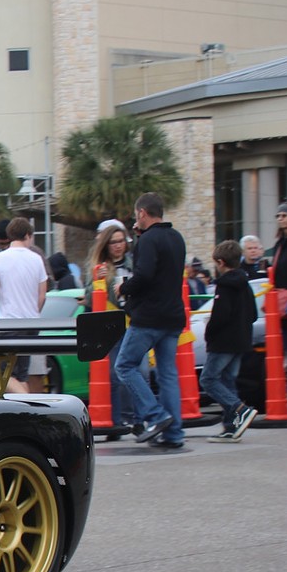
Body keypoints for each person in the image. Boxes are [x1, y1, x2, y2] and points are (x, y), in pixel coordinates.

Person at [113, 192, 188, 449]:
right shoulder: (176, 238)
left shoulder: (148, 241)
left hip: (149, 317)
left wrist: (124, 288)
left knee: (124, 366)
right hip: (174, 316)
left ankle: (155, 415)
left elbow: (144, 276)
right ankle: (174, 434)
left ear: (142, 213)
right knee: (168, 374)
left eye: (137, 216)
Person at [200, 240, 259, 443]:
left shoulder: (224, 286)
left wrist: (209, 332)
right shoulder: (245, 283)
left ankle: (240, 409)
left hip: (223, 341)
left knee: (208, 379)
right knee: (227, 380)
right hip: (241, 340)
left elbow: (220, 316)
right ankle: (231, 427)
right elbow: (253, 314)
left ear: (220, 262)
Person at [87, 222, 141, 431]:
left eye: (121, 241)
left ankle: (136, 418)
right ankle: (119, 420)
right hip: (111, 326)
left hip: (134, 321)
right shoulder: (100, 266)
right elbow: (89, 295)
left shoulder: (134, 263)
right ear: (106, 245)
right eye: (113, 242)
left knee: (139, 371)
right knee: (115, 375)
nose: (118, 246)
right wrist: (96, 281)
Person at [0, 216, 47, 394]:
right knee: (22, 375)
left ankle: (28, 401)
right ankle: (25, 413)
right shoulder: (37, 259)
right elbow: (42, 295)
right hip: (31, 324)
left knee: (2, 374)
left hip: (9, 323)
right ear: (28, 235)